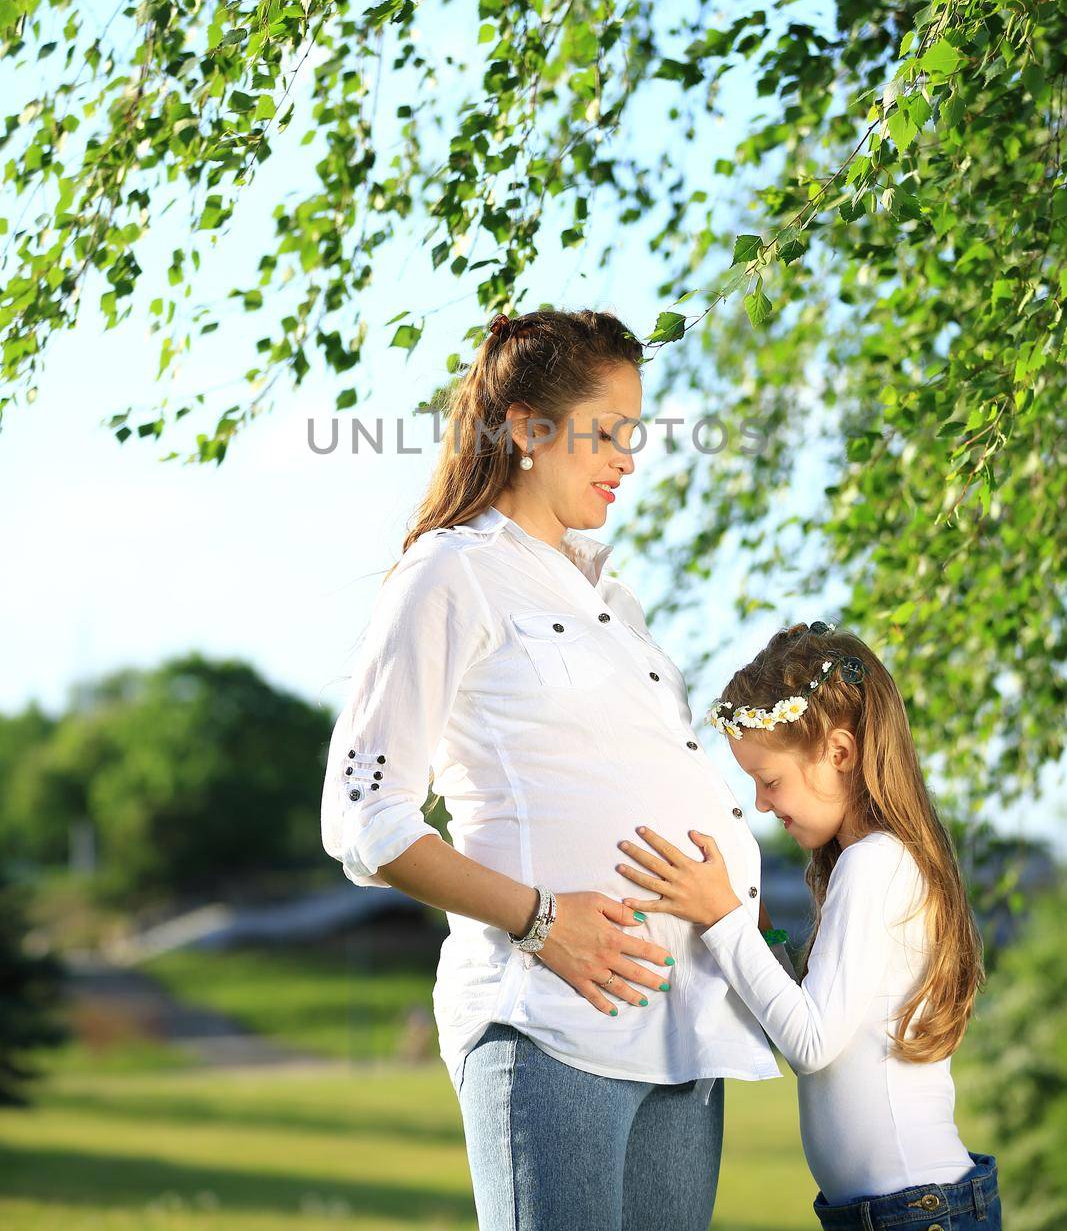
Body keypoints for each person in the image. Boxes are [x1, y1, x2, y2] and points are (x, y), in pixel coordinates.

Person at [320, 307, 785, 1231]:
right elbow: (365, 819)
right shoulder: (449, 575)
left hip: (682, 1026)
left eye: (634, 436)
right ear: (529, 428)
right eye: (606, 433)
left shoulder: (613, 598)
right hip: (548, 1021)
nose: (628, 458)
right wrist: (540, 922)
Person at [615, 621, 1002, 1231]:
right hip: (897, 1210)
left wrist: (720, 917)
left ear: (840, 754)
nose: (763, 803)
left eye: (770, 781)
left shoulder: (873, 863)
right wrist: (760, 936)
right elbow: (823, 1022)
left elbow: (812, 1045)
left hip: (912, 1213)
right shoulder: (878, 861)